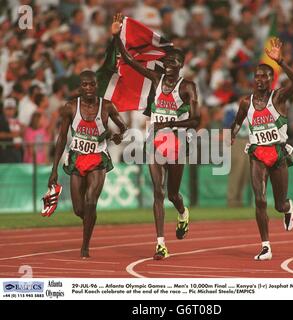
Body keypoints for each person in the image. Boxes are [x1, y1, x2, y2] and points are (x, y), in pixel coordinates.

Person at [112, 13, 200, 260]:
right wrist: (116, 35)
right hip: (155, 140)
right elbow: (129, 61)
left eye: (174, 60)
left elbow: (196, 120)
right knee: (158, 193)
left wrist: (170, 122)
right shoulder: (157, 79)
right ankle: (160, 243)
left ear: (181, 65)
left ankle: (182, 212)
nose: (169, 62)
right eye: (167, 59)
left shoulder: (187, 86)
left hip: (178, 141)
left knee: (172, 194)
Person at [230, 38, 293, 261]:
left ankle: (287, 206)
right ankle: (265, 246)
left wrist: (281, 61)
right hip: (257, 154)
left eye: (265, 76)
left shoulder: (278, 97)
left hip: (278, 153)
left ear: (272, 79)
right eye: (257, 76)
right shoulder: (245, 102)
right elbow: (238, 121)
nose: (260, 79)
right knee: (260, 200)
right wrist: (231, 133)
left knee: (278, 204)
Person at [47, 70, 127, 258]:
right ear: (80, 87)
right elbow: (61, 139)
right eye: (85, 85)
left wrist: (117, 136)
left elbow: (123, 127)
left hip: (98, 158)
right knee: (79, 209)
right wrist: (54, 170)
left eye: (92, 84)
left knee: (91, 200)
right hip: (76, 157)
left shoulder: (106, 106)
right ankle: (90, 219)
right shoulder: (70, 107)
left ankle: (85, 246)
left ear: (97, 85)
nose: (89, 88)